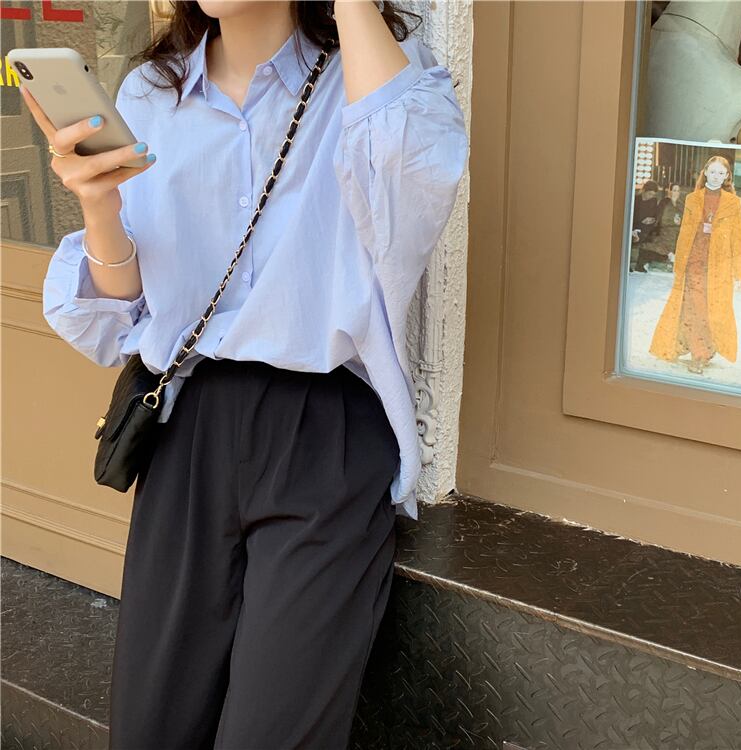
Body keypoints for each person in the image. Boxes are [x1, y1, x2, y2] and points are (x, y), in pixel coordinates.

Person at [23, 1, 469, 747]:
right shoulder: (152, 94)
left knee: (276, 732)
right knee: (152, 724)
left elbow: (416, 188)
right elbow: (121, 318)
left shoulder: (371, 80)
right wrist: (99, 205)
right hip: (186, 428)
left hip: (322, 433)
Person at [649, 156, 741, 375]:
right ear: (705, 172)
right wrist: (678, 262)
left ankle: (706, 348)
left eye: (721, 173)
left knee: (714, 308)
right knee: (694, 307)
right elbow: (684, 232)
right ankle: (698, 354)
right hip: (694, 261)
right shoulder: (692, 199)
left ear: (727, 176)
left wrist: (740, 271)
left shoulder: (733, 203)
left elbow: (737, 238)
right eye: (712, 172)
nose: (716, 176)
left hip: (719, 266)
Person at [634, 183, 685, 272]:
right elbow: (659, 218)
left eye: (678, 191)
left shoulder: (681, 205)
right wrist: (673, 222)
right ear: (670, 191)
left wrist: (680, 223)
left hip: (678, 232)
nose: (676, 193)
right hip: (666, 231)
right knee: (659, 248)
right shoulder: (665, 202)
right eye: (674, 190)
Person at [630, 180, 660, 272]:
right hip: (634, 226)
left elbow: (654, 215)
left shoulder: (653, 201)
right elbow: (632, 217)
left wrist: (651, 220)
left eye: (653, 195)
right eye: (649, 194)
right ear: (644, 191)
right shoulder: (635, 200)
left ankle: (640, 264)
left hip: (645, 227)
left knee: (649, 236)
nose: (651, 196)